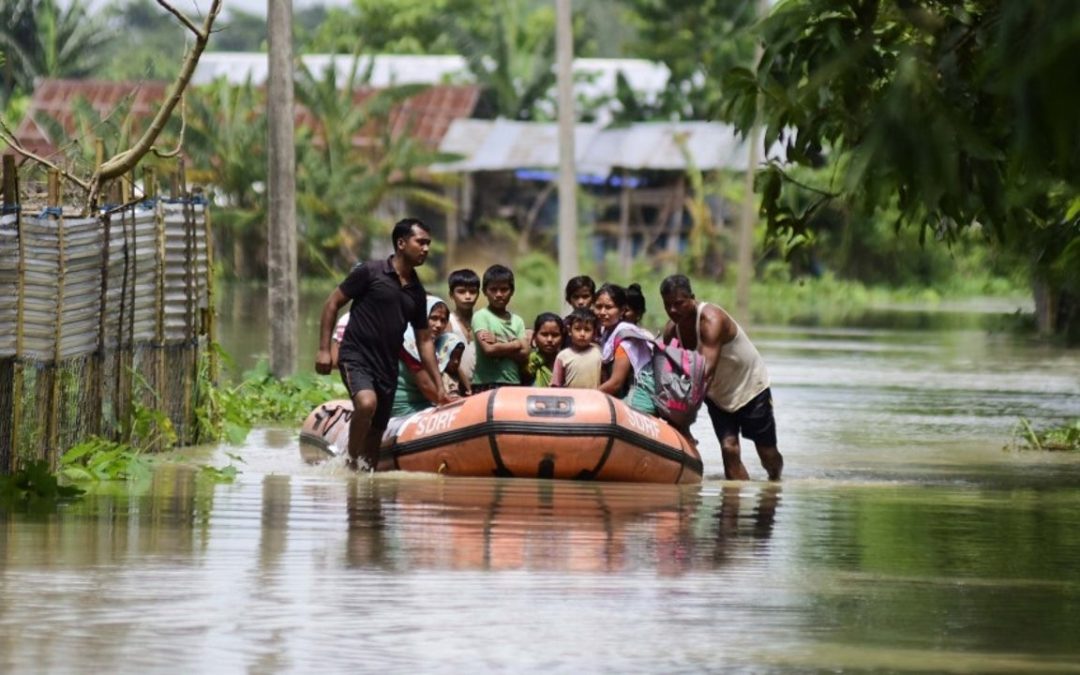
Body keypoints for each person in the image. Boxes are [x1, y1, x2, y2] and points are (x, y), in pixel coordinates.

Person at [315, 218, 446, 470]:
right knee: (366, 403)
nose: (426, 249)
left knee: (376, 434)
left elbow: (424, 340)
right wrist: (323, 350)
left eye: (429, 244)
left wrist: (439, 386)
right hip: (356, 356)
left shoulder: (417, 293)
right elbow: (332, 303)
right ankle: (350, 464)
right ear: (401, 243)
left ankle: (367, 493)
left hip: (387, 366)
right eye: (421, 242)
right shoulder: (370, 272)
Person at [659, 274, 783, 481]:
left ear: (692, 298)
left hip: (750, 387)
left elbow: (704, 372)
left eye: (679, 303)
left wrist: (684, 418)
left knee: (767, 454)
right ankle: (734, 505)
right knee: (729, 449)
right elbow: (671, 374)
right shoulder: (672, 332)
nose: (673, 310)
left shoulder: (711, 320)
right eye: (667, 305)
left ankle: (775, 484)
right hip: (716, 394)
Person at [391, 296, 461, 418]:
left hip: (426, 403)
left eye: (443, 320)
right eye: (433, 318)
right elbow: (425, 385)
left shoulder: (436, 344)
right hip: (402, 407)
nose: (438, 325)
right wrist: (457, 404)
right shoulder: (408, 341)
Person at [594, 283, 657, 414]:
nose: (602, 312)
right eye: (598, 307)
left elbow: (616, 382)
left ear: (622, 311)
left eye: (609, 307)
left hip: (640, 397)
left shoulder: (625, 338)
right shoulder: (606, 333)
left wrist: (588, 396)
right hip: (625, 393)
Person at [471, 264, 530, 392]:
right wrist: (516, 344)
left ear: (512, 291)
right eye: (493, 289)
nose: (499, 294)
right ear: (485, 291)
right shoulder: (481, 316)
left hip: (513, 383)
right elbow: (489, 350)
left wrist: (498, 343)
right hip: (485, 383)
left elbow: (525, 353)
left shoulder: (517, 320)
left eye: (504, 289)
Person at [551, 308, 602, 389]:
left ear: (594, 333)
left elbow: (605, 380)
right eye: (577, 329)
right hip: (572, 400)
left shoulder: (598, 352)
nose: (582, 334)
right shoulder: (562, 356)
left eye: (587, 329)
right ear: (569, 330)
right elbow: (556, 385)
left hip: (594, 400)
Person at [446, 268, 480, 383]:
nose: (467, 296)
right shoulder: (448, 322)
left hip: (481, 385)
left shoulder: (482, 321)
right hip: (456, 384)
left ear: (478, 294)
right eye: (461, 292)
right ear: (451, 295)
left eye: (472, 291)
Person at [523, 312, 564, 387]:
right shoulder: (528, 362)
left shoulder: (565, 362)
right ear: (535, 336)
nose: (549, 339)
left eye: (555, 335)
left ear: (562, 338)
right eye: (544, 334)